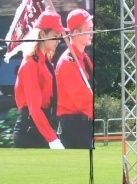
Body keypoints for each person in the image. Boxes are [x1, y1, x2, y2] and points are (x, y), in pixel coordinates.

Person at [12, 10, 65, 149]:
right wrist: (52, 139)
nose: (58, 41)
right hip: (29, 131)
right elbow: (34, 108)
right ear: (42, 34)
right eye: (55, 36)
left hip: (41, 126)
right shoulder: (31, 63)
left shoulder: (45, 61)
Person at [55, 9, 93, 149]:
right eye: (88, 29)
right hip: (74, 126)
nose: (92, 33)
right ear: (76, 32)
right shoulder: (67, 61)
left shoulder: (84, 59)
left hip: (83, 124)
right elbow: (81, 98)